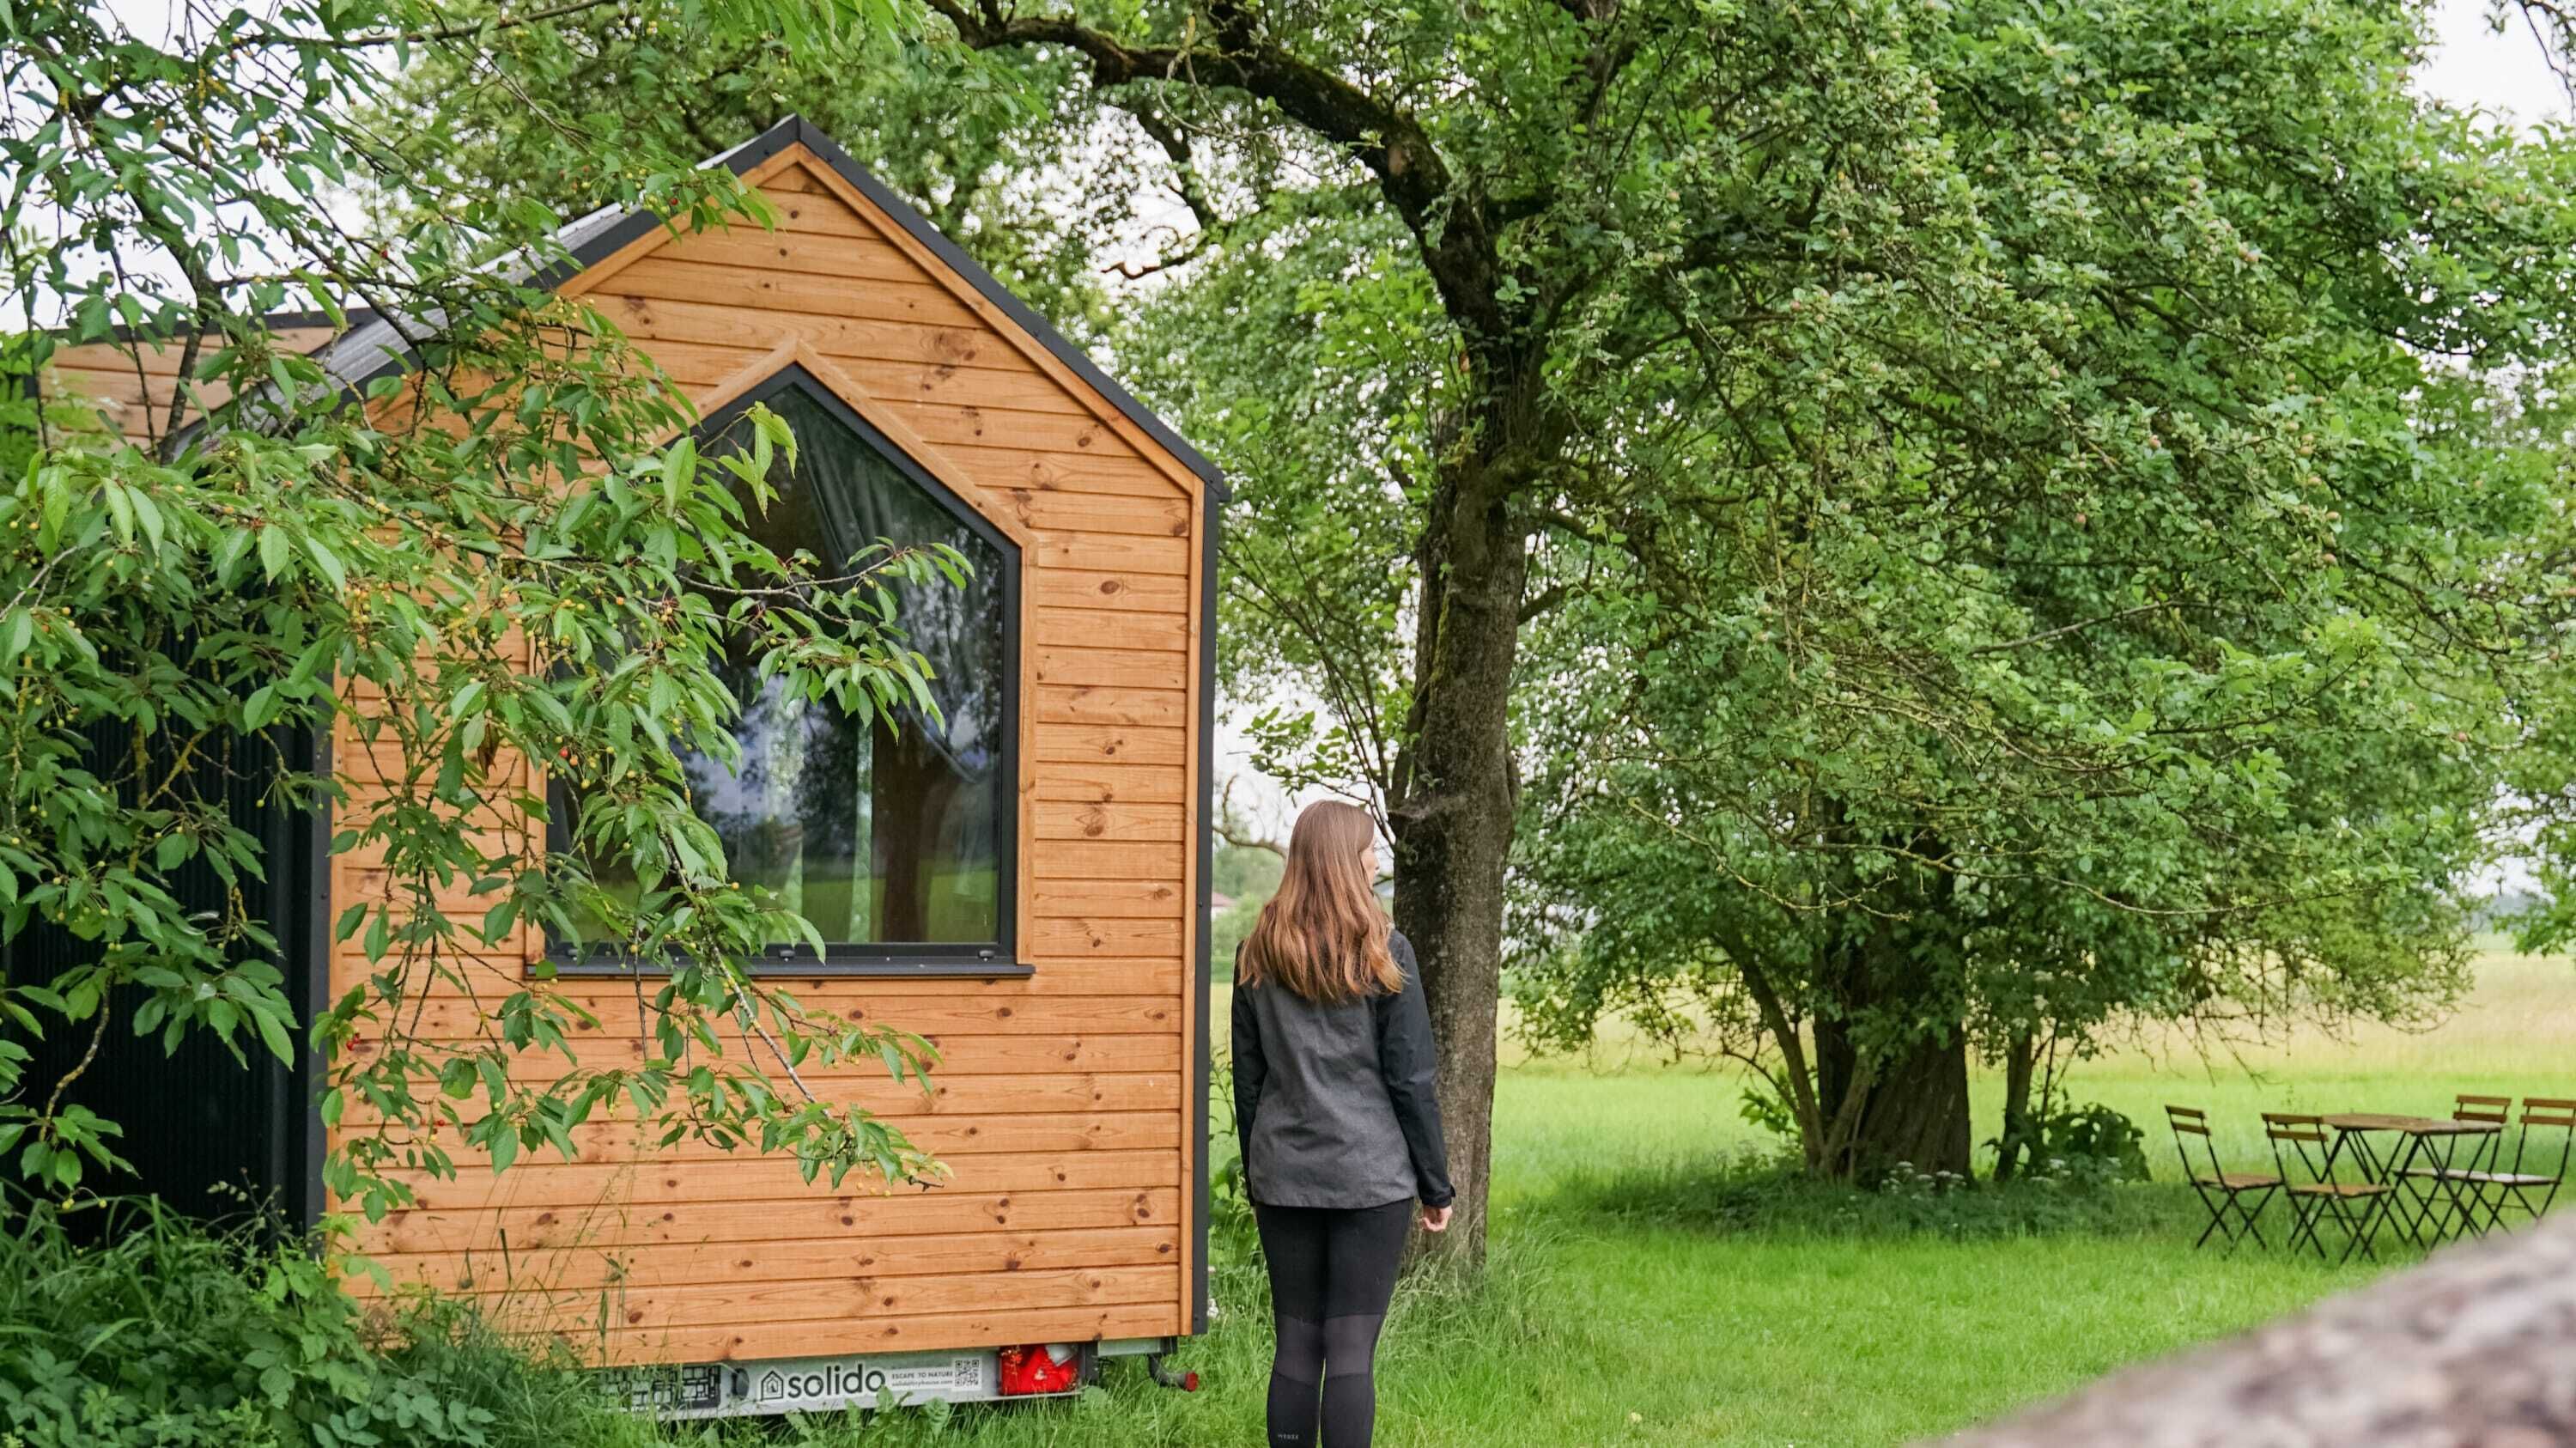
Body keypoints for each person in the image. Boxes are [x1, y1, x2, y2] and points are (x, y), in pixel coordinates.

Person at [1231, 799, 1455, 1448]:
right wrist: (1435, 1187)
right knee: (1351, 1349)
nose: (1376, 860)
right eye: (1368, 851)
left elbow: (1250, 1083)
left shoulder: (1257, 953)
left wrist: (1259, 1173)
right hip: (1370, 1178)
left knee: (1297, 1344)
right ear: (1343, 862)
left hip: (1284, 1177)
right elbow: (1412, 1080)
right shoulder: (1387, 951)